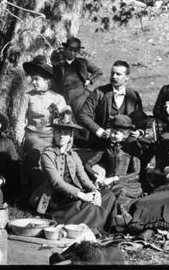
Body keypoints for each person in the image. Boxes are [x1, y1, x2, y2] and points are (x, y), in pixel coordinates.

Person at [29, 107, 119, 235]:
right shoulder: (47, 154)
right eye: (58, 132)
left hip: (76, 191)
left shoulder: (73, 155)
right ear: (54, 134)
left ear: (70, 136)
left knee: (108, 195)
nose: (61, 136)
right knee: (88, 205)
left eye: (65, 133)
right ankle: (90, 229)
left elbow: (83, 178)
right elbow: (56, 182)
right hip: (56, 195)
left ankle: (93, 226)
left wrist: (95, 191)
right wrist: (83, 195)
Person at [14, 55, 67, 195]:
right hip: (32, 135)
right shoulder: (28, 96)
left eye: (37, 79)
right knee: (38, 152)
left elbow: (65, 123)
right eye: (33, 79)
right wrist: (18, 141)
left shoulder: (57, 98)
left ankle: (53, 192)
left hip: (51, 137)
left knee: (53, 156)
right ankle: (37, 192)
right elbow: (19, 120)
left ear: (47, 80)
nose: (34, 82)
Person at [83, 115, 142, 227]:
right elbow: (87, 164)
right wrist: (97, 176)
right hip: (108, 184)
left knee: (121, 192)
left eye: (116, 133)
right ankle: (119, 220)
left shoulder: (132, 148)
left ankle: (123, 217)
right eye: (112, 132)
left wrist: (115, 179)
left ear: (125, 135)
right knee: (108, 194)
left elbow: (136, 173)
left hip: (128, 182)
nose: (112, 136)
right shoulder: (106, 148)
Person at [79, 60, 143, 147]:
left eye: (118, 74)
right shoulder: (99, 92)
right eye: (112, 73)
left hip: (126, 142)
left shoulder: (134, 96)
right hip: (101, 141)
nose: (114, 76)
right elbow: (83, 114)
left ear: (127, 77)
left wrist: (139, 132)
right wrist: (101, 132)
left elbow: (140, 118)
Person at [52, 37, 103, 144]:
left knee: (83, 117)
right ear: (65, 49)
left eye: (75, 51)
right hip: (65, 95)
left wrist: (89, 80)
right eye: (70, 50)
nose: (72, 53)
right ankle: (74, 143)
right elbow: (55, 82)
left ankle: (88, 142)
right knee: (68, 119)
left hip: (80, 94)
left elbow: (98, 71)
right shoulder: (58, 65)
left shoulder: (83, 62)